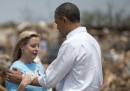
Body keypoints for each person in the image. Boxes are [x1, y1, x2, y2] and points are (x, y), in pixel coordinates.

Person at [6, 2, 103, 91]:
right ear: (22, 47)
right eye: (33, 45)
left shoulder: (71, 44)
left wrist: (24, 79)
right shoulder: (93, 42)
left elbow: (50, 80)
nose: (57, 28)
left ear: (64, 20)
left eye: (57, 23)